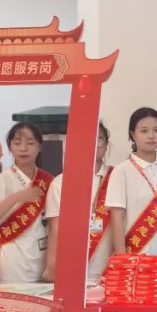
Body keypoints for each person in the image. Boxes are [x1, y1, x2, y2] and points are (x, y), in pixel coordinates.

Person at [107, 108, 157, 258]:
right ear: (133, 134)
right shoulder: (122, 171)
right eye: (144, 131)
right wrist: (122, 256)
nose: (151, 136)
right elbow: (117, 217)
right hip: (139, 255)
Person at [0, 122, 52, 284]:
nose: (23, 148)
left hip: (44, 258)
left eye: (30, 143)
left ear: (39, 147)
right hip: (13, 261)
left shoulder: (48, 180)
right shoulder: (2, 180)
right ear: (10, 148)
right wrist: (16, 198)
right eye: (17, 143)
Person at [44, 121, 112, 282]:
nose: (94, 144)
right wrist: (52, 267)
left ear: (106, 144)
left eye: (99, 139)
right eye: (88, 139)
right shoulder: (61, 183)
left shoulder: (117, 177)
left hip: (110, 268)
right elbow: (55, 230)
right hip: (73, 268)